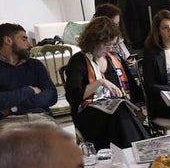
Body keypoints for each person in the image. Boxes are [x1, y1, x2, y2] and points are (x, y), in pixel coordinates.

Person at [64, 17, 151, 149]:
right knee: (120, 112)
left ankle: (133, 150)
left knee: (121, 111)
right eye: (106, 44)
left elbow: (133, 88)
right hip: (89, 115)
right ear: (94, 41)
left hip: (118, 113)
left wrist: (138, 107)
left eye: (112, 44)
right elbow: (73, 97)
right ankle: (140, 148)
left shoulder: (115, 58)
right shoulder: (78, 61)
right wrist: (100, 82)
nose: (110, 48)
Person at [0, 22, 58, 131]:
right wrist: (30, 90)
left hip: (41, 117)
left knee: (60, 145)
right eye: (24, 39)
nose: (30, 45)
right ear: (8, 40)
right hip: (8, 122)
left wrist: (14, 108)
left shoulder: (35, 65)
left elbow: (51, 96)